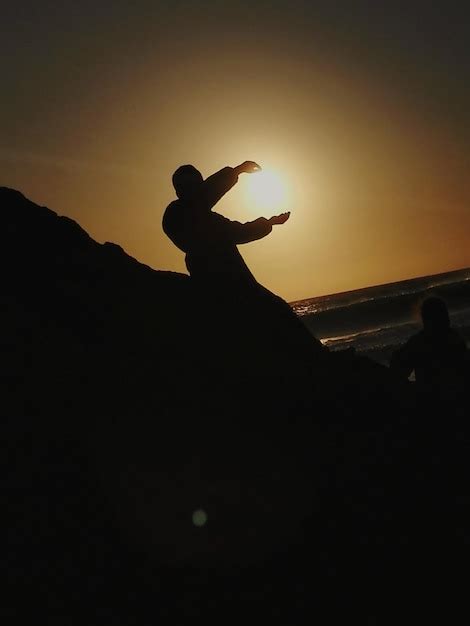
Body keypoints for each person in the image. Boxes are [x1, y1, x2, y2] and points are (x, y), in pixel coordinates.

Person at [162, 161, 290, 290]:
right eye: (193, 186)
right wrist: (269, 223)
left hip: (205, 272)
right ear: (182, 190)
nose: (200, 190)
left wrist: (238, 170)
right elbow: (238, 232)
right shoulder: (187, 215)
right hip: (226, 276)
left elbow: (208, 192)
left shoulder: (179, 213)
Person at [390, 296, 467, 388]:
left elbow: (398, 370)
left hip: (429, 396)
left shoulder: (418, 342)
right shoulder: (455, 338)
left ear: (425, 319)